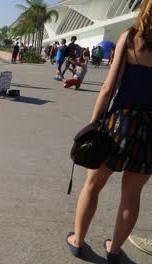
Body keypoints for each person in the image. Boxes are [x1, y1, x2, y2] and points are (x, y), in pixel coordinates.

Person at [66, 1, 152, 263]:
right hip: (150, 129)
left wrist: (93, 125)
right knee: (132, 194)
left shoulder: (129, 37)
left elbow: (108, 87)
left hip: (120, 123)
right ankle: (114, 250)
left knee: (93, 185)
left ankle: (78, 242)